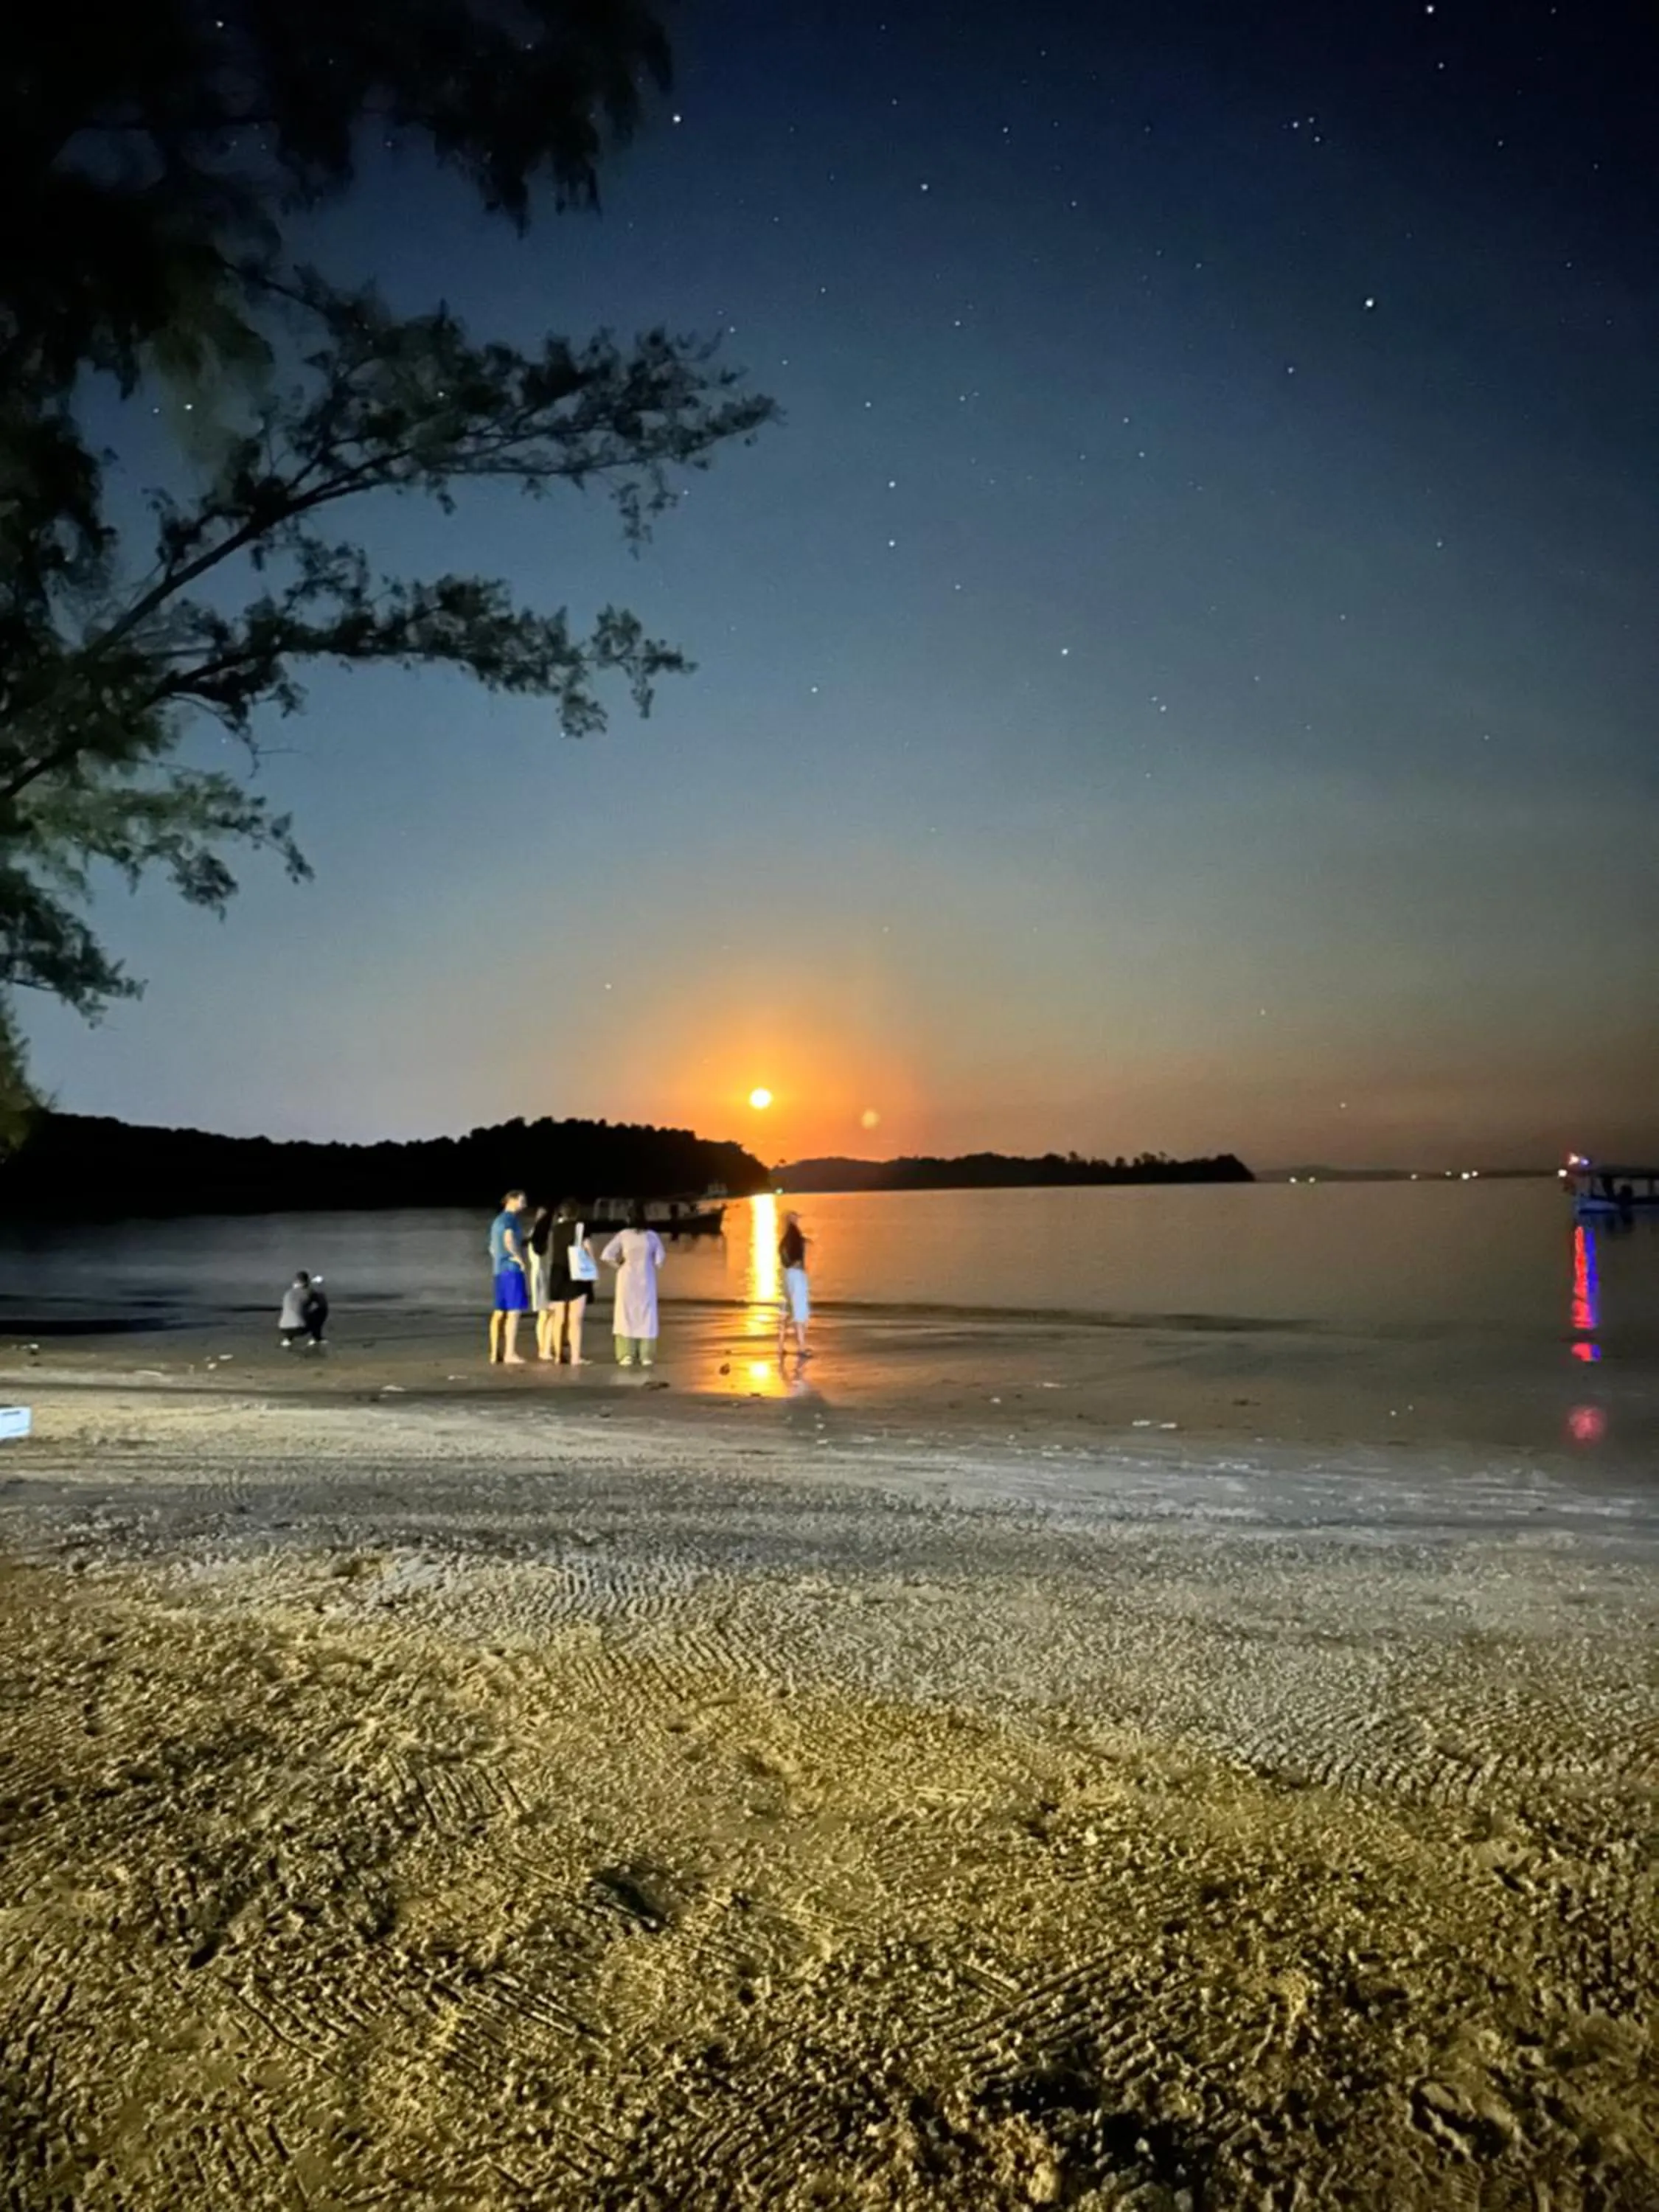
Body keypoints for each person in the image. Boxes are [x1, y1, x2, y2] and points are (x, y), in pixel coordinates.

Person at [601, 1202, 665, 1367]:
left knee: (625, 1314)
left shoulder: (623, 1235)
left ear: (628, 1218)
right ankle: (646, 1355)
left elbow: (606, 1255)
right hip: (646, 1279)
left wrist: (618, 1265)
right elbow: (660, 1261)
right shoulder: (652, 1236)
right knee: (647, 1315)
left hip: (626, 1279)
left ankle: (626, 1354)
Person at [537, 1197, 597, 1365]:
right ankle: (575, 1357)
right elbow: (588, 1248)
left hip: (557, 1274)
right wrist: (593, 1268)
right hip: (575, 1274)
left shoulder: (555, 1229)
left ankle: (558, 1355)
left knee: (559, 1318)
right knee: (575, 1319)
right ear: (576, 1213)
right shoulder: (580, 1227)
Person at [488, 1189, 532, 1364]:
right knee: (514, 1312)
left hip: (498, 1270)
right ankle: (510, 1353)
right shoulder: (510, 1219)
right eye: (522, 1200)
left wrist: (500, 1258)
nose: (524, 1204)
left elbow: (492, 1248)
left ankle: (494, 1352)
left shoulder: (497, 1220)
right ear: (512, 1200)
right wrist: (519, 1258)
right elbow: (508, 1239)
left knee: (500, 1311)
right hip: (511, 1270)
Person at [778, 1210, 810, 1360]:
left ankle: (781, 1345)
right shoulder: (794, 1236)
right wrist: (794, 1262)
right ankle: (802, 1347)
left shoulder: (787, 1238)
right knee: (799, 1311)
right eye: (795, 1218)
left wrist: (788, 1264)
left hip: (788, 1275)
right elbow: (793, 1253)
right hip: (797, 1274)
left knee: (786, 1310)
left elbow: (782, 1253)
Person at [279, 1270, 329, 1349]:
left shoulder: (288, 1293)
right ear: (307, 1281)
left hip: (283, 1328)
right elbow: (322, 1303)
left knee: (292, 1310)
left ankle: (288, 1339)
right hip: (300, 1328)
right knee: (322, 1310)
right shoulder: (309, 1291)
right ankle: (317, 1338)